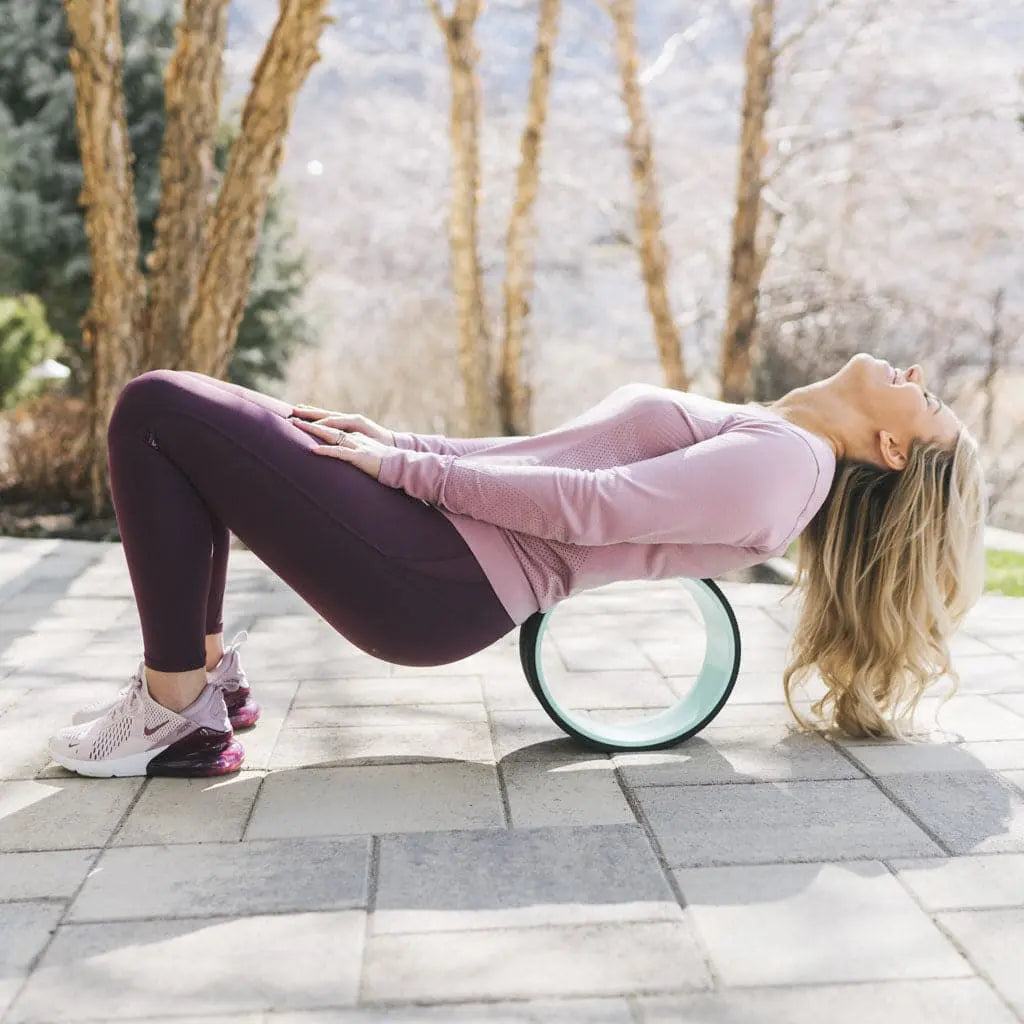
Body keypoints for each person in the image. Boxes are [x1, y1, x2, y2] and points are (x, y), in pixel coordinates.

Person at [47, 352, 986, 777]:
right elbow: (562, 457)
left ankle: (173, 711)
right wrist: (399, 442)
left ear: (896, 453)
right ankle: (199, 684)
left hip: (435, 577)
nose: (911, 372)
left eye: (926, 398)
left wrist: (407, 469)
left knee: (159, 409)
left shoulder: (787, 467)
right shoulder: (784, 443)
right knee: (199, 420)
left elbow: (589, 511)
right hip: (436, 546)